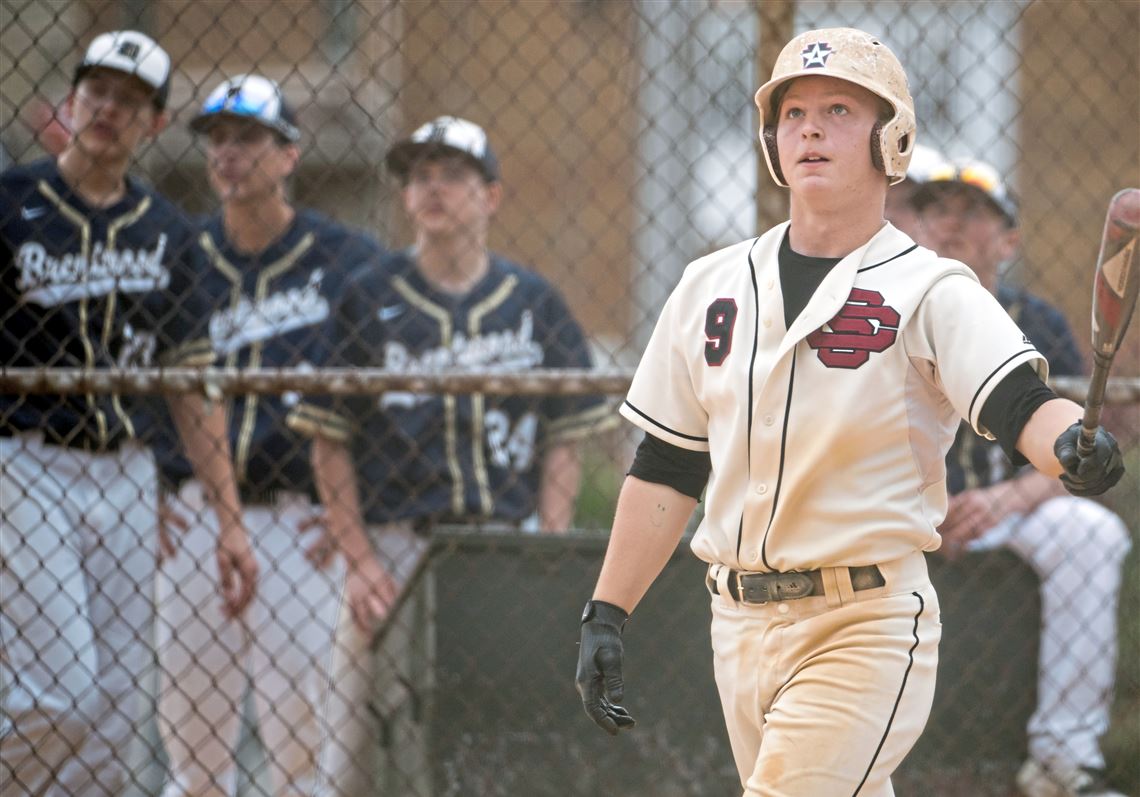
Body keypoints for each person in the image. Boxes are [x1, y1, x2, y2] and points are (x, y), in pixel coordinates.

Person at [573, 27, 1125, 797]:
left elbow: (1019, 401)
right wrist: (607, 610)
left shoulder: (930, 287)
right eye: (793, 112)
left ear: (889, 138)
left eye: (838, 110)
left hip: (863, 622)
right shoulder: (710, 285)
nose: (809, 128)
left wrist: (1068, 441)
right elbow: (667, 466)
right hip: (735, 626)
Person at [288, 114, 613, 795]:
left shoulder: (532, 302)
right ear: (405, 196)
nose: (433, 188)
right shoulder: (367, 297)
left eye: (454, 175)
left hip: (503, 548)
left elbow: (564, 438)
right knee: (353, 751)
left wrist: (548, 546)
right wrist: (360, 560)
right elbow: (329, 441)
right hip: (395, 548)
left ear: (491, 195)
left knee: (503, 733)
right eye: (419, 176)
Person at [0, 31, 256, 795]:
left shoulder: (167, 231)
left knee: (110, 729)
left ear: (153, 123)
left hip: (126, 476)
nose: (109, 107)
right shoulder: (11, 203)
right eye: (97, 90)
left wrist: (230, 518)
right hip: (27, 462)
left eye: (131, 99)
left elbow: (190, 388)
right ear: (71, 100)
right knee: (61, 694)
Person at [151, 74, 387, 797]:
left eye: (248, 138)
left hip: (298, 520)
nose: (228, 152)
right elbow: (150, 377)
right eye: (217, 139)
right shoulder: (181, 255)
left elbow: (380, 393)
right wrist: (151, 485)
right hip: (194, 514)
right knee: (192, 741)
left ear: (288, 154)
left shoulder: (346, 258)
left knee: (300, 747)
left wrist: (356, 509)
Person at [908, 159, 1131, 797]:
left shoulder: (1040, 320)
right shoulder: (875, 314)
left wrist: (1012, 496)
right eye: (935, 208)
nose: (950, 222)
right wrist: (918, 510)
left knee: (1091, 533)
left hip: (1007, 512)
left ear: (1008, 240)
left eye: (972, 210)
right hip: (895, 515)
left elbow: (1076, 452)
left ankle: (1063, 764)